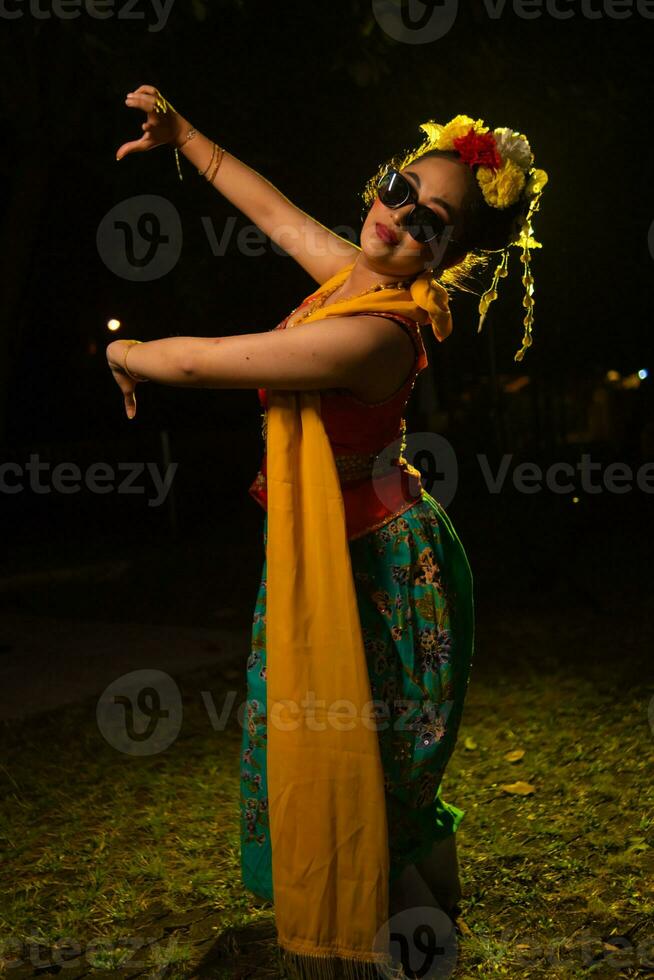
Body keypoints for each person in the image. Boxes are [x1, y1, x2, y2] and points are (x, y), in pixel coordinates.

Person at [109, 88, 547, 980]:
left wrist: (124, 354)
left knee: (369, 793)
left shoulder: (380, 332)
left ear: (449, 256)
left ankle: (417, 958)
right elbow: (269, 207)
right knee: (368, 785)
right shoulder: (355, 272)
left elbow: (202, 361)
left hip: (380, 577)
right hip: (335, 561)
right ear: (376, 187)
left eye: (430, 222)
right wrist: (184, 133)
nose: (399, 217)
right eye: (396, 189)